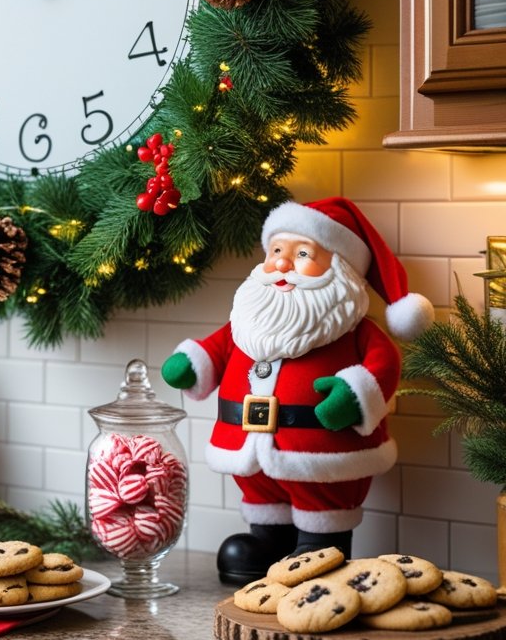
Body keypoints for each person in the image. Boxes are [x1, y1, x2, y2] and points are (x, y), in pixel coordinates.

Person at [161, 197, 434, 582]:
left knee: (320, 503)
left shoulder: (354, 330)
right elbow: (216, 348)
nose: (283, 264)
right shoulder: (248, 323)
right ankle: (267, 543)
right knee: (262, 499)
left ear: (341, 268)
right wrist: (193, 364)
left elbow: (384, 364)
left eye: (302, 253)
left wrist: (354, 396)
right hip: (248, 450)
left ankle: (323, 547)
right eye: (276, 251)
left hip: (324, 457)